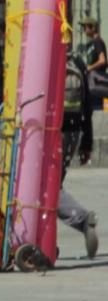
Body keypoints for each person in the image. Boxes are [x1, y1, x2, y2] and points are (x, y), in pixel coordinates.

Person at [59, 47, 98, 258]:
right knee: (51, 185)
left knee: (44, 189)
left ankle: (81, 219)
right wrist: (86, 144)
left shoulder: (44, 54)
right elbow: (88, 106)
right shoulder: (77, 61)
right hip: (73, 133)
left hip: (49, 132)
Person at [79, 16, 106, 164]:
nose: (84, 30)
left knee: (99, 109)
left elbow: (103, 60)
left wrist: (89, 68)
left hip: (98, 84)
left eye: (86, 27)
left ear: (93, 27)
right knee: (87, 114)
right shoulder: (91, 43)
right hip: (92, 85)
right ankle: (86, 150)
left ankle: (86, 150)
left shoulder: (97, 42)